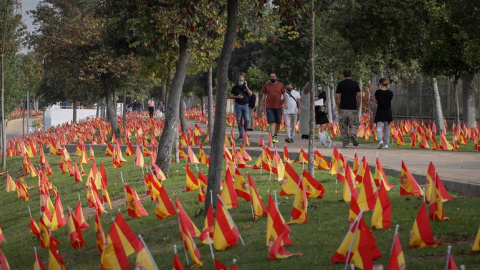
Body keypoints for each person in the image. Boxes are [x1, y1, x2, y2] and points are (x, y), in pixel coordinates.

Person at [335, 70, 361, 148]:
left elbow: (337, 96)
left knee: (343, 126)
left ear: (344, 75)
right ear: (350, 75)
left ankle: (345, 143)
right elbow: (359, 95)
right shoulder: (355, 84)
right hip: (353, 108)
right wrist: (358, 105)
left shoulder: (340, 84)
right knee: (353, 124)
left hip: (343, 108)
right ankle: (353, 134)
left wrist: (338, 106)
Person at [261, 73, 287, 144]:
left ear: (276, 77)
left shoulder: (280, 85)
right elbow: (263, 96)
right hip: (269, 107)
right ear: (269, 78)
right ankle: (273, 138)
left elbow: (284, 95)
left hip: (278, 106)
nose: (272, 78)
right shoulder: (266, 85)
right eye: (271, 77)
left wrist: (285, 103)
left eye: (274, 77)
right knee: (272, 122)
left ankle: (275, 134)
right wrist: (261, 106)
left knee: (278, 122)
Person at [230, 75, 252, 140]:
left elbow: (250, 94)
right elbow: (231, 96)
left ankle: (245, 132)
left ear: (244, 81)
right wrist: (237, 97)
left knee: (247, 119)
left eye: (242, 80)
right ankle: (241, 134)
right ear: (238, 80)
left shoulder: (245, 87)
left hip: (246, 105)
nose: (241, 81)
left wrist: (246, 86)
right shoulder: (235, 88)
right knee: (239, 120)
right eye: (240, 80)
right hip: (238, 105)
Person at [374, 78, 394, 149]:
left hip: (380, 111)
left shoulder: (378, 92)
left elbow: (376, 101)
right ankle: (386, 144)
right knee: (387, 129)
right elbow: (391, 102)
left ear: (381, 84)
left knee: (379, 127)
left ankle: (380, 141)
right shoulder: (390, 93)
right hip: (388, 111)